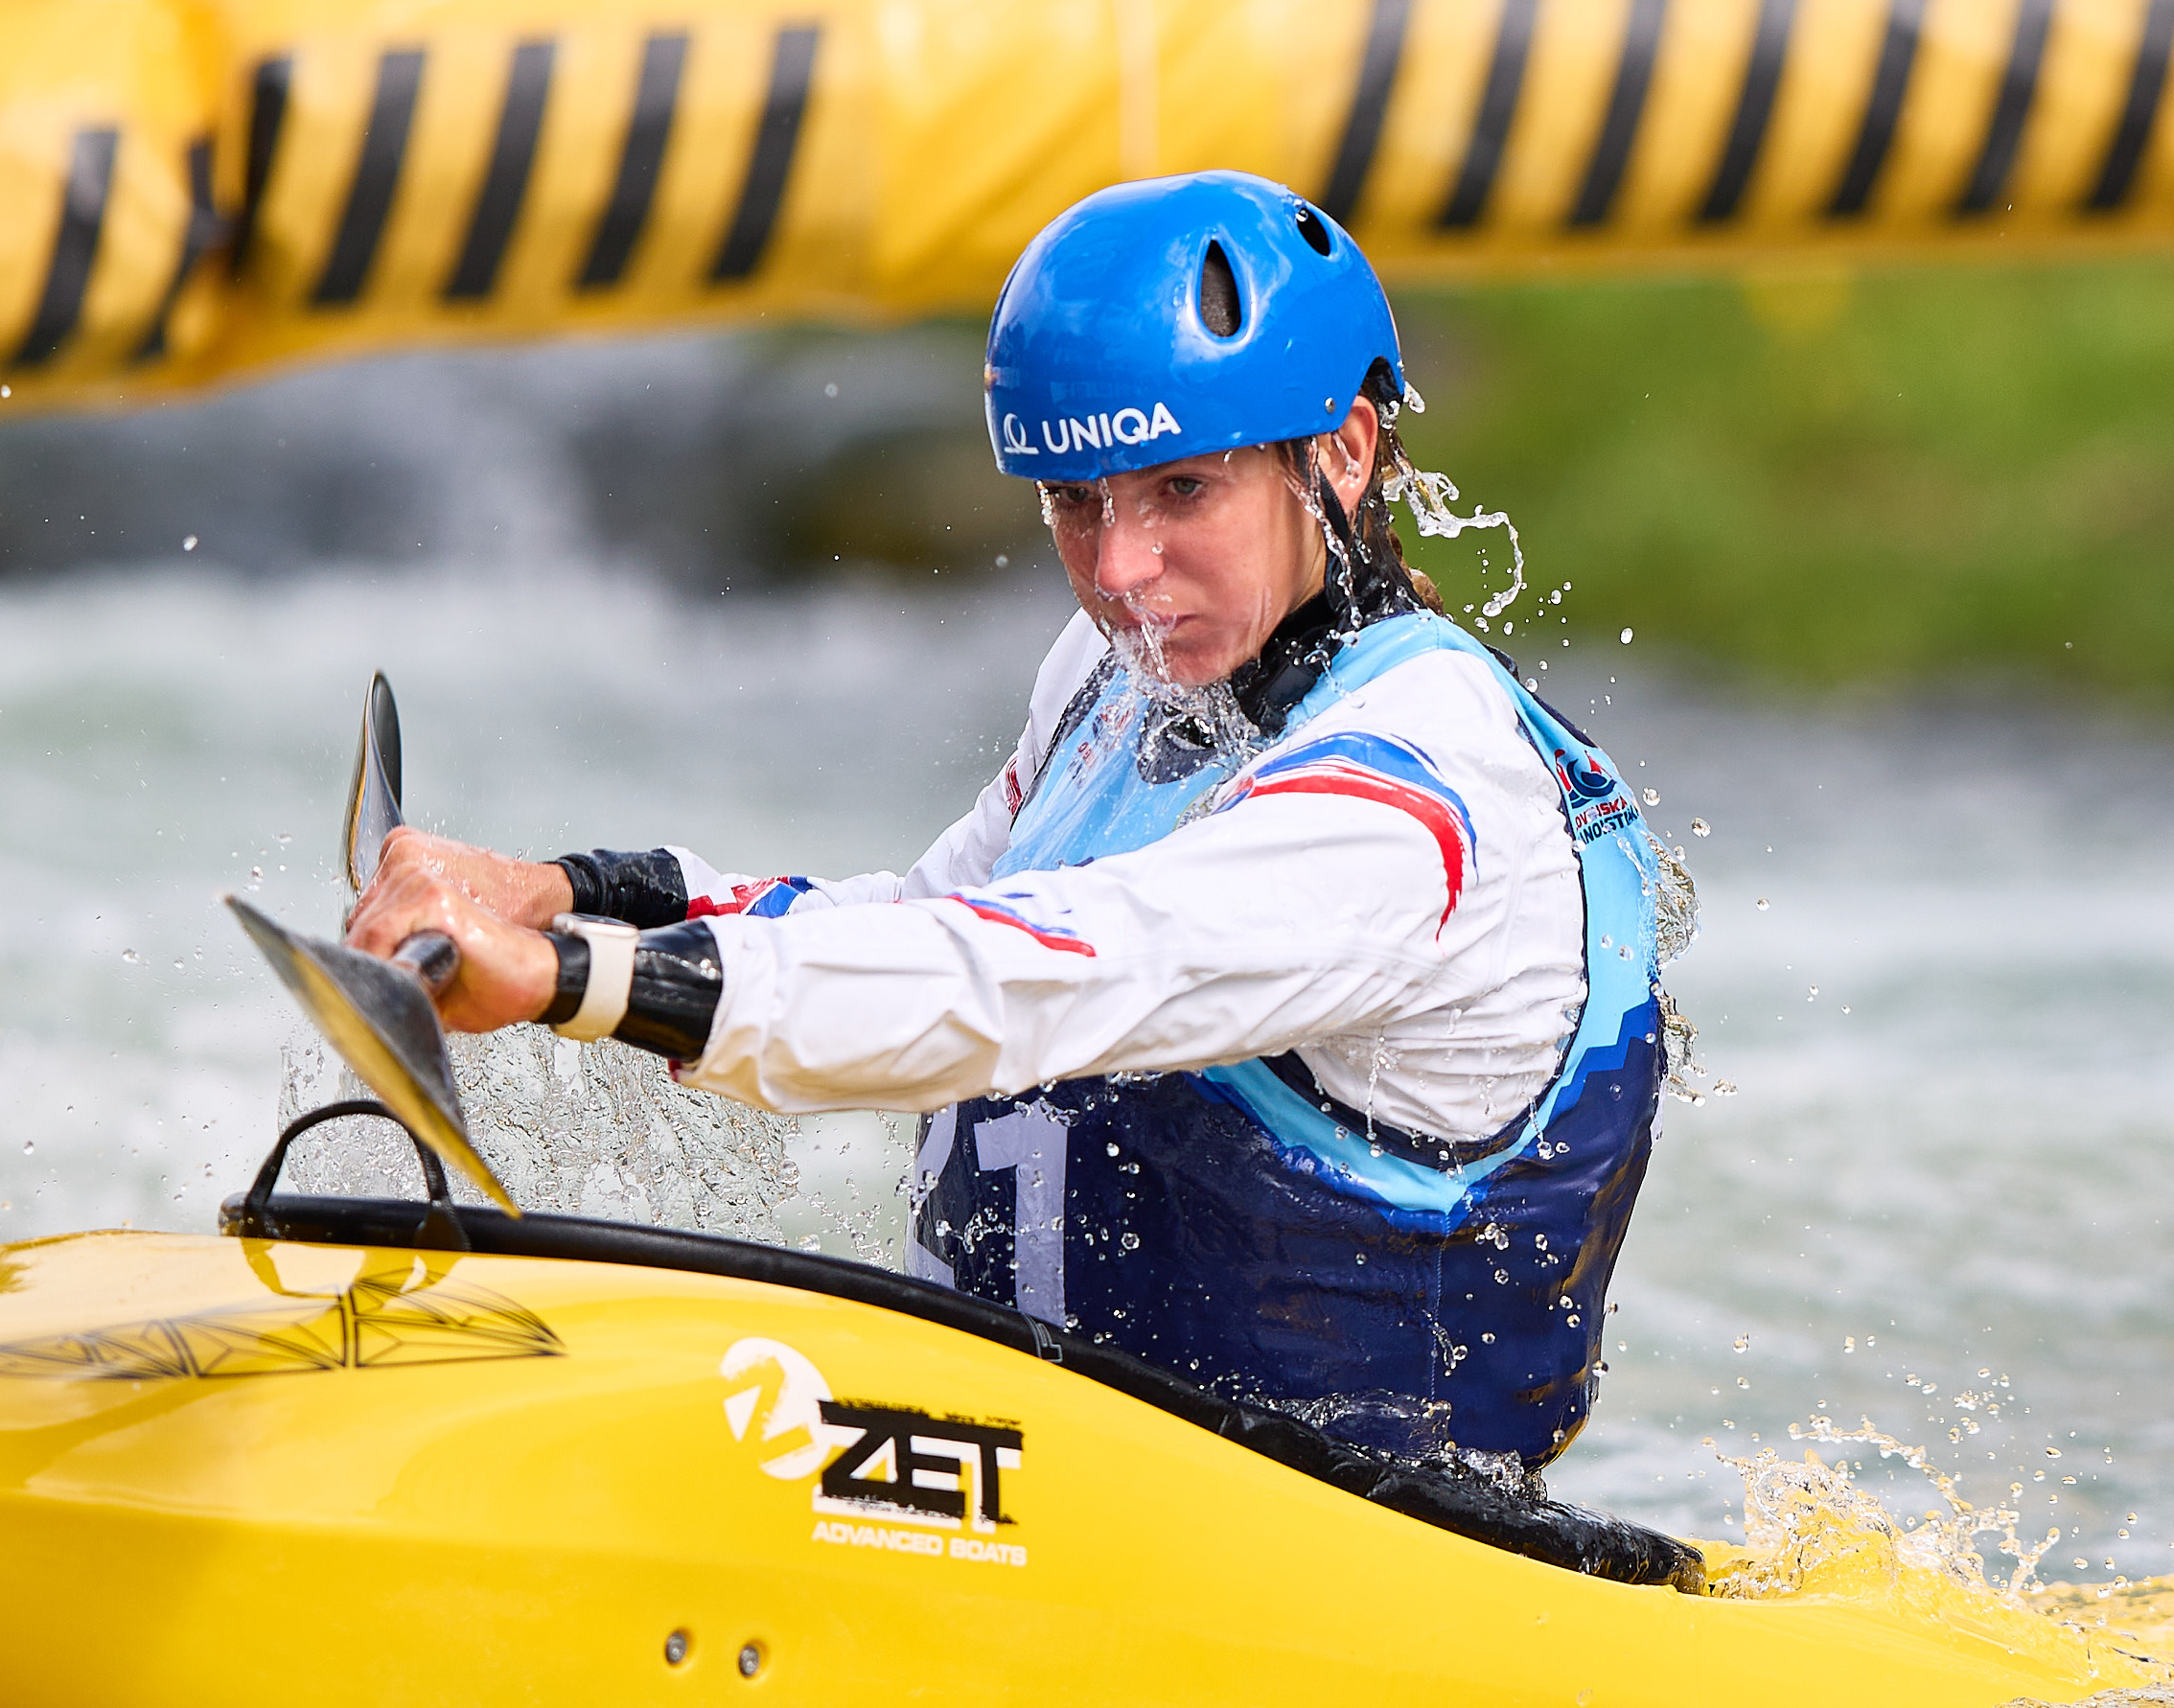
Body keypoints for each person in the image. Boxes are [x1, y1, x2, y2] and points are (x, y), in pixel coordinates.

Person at [344, 171, 1666, 1476]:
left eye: (1181, 492)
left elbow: (1031, 986)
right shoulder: (1124, 678)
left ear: (1341, 452)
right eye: (1074, 504)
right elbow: (927, 931)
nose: (1118, 572)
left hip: (1355, 1577)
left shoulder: (1419, 795)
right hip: (1057, 1490)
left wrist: (578, 982)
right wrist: (565, 897)